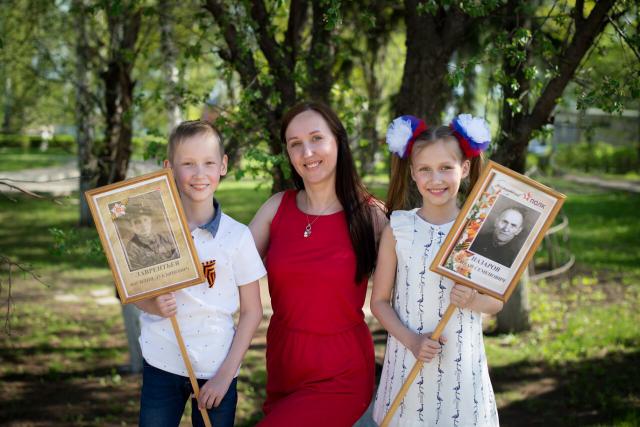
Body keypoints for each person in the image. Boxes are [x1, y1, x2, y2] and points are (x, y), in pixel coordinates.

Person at [249, 101, 386, 426]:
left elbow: (409, 287)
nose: (307, 152)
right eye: (295, 143)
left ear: (338, 140)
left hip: (341, 374)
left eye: (316, 138)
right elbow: (228, 269)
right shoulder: (276, 208)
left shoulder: (371, 216)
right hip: (283, 365)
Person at [371, 114, 503, 426]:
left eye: (446, 167)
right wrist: (412, 341)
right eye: (425, 169)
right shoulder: (399, 228)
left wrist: (473, 299)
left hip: (462, 371)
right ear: (413, 173)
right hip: (409, 361)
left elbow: (496, 302)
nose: (436, 179)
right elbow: (379, 302)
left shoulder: (478, 229)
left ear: (465, 168)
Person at [134, 120, 266, 427]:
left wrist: (225, 376)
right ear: (169, 168)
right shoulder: (154, 231)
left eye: (208, 163)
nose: (199, 173)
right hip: (161, 362)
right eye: (188, 164)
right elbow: (133, 291)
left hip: (217, 369)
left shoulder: (237, 236)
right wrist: (153, 305)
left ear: (223, 165)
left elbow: (252, 312)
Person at [124, 198, 179, 271]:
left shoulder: (165, 238)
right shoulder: (132, 249)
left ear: (150, 221)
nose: (143, 226)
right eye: (137, 222)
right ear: (131, 226)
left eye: (145, 220)